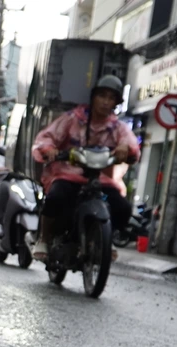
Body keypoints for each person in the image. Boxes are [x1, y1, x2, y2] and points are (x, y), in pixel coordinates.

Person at [30, 74, 139, 261]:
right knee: (55, 198)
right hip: (67, 176)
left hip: (100, 180)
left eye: (111, 98)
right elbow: (45, 138)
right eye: (102, 96)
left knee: (122, 208)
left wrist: (124, 149)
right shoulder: (72, 119)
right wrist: (50, 150)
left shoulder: (117, 127)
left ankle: (105, 238)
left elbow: (131, 145)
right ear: (93, 97)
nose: (106, 102)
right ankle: (44, 238)